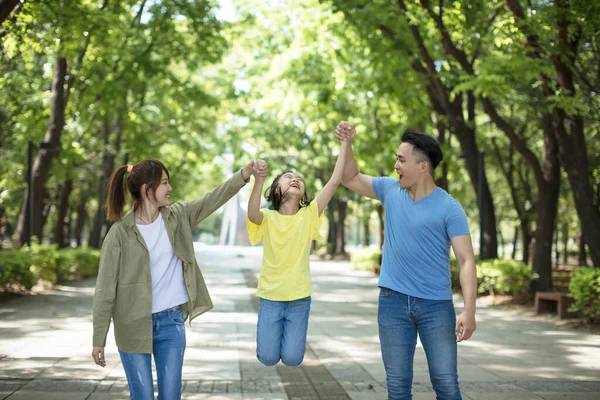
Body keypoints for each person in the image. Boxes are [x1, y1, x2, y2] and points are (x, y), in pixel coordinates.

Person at [92, 159, 257, 400]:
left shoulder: (178, 216)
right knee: (143, 397)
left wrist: (244, 174)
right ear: (147, 189)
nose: (170, 188)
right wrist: (99, 338)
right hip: (132, 324)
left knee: (170, 396)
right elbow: (105, 289)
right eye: (165, 183)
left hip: (170, 322)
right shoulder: (119, 233)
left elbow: (213, 199)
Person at [335, 122, 477, 400]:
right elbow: (349, 177)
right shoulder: (390, 190)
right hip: (393, 303)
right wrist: (347, 142)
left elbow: (466, 260)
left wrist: (469, 310)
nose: (396, 165)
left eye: (401, 160)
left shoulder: (449, 207)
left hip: (436, 306)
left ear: (422, 167)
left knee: (446, 384)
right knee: (397, 387)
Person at [246, 138, 350, 367]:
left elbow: (334, 182)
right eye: (288, 178)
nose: (295, 179)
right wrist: (258, 180)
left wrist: (345, 143)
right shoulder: (267, 217)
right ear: (275, 189)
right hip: (271, 298)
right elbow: (252, 214)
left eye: (299, 180)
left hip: (299, 299)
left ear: (303, 194)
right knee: (267, 358)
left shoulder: (309, 215)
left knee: (293, 359)